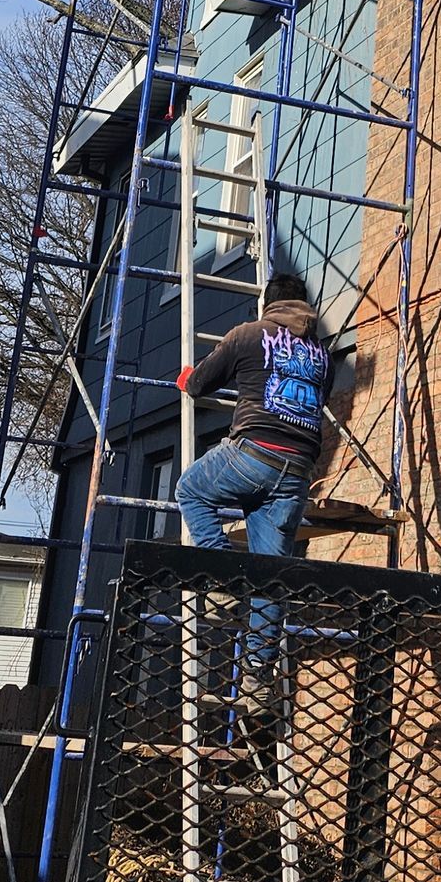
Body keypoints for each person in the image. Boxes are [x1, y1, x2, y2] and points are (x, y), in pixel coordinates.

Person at [174, 271, 338, 710]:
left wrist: (187, 376)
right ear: (305, 308)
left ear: (268, 304)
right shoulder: (323, 354)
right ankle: (255, 681)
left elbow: (199, 385)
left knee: (191, 489)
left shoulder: (248, 334)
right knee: (270, 577)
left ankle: (222, 581)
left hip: (255, 453)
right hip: (298, 472)